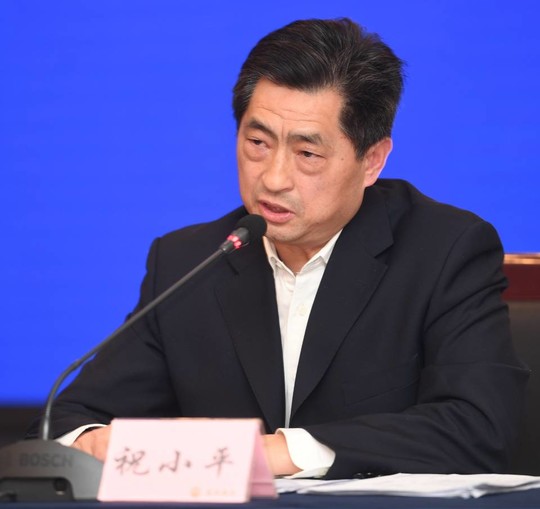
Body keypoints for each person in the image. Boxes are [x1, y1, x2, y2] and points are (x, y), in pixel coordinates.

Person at [36, 18, 528, 479]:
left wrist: (274, 452)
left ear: (372, 160)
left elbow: (479, 429)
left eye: (307, 153)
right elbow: (69, 419)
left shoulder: (444, 251)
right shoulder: (189, 260)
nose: (273, 179)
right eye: (258, 143)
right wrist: (93, 442)